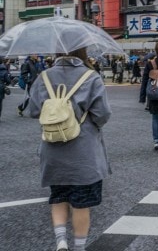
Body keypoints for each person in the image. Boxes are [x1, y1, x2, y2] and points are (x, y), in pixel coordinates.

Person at [27, 47, 112, 251]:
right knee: (81, 203)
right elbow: (102, 114)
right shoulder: (91, 77)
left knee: (58, 196)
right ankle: (79, 247)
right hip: (84, 150)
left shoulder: (43, 76)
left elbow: (33, 111)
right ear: (81, 52)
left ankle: (61, 241)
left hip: (52, 148)